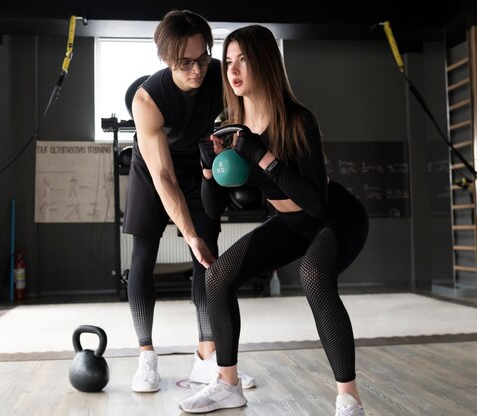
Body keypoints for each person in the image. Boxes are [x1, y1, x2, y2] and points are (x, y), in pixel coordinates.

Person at [179, 24, 369, 415]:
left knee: (314, 276)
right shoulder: (229, 128)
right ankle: (227, 385)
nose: (233, 70)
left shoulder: (298, 120)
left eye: (243, 60)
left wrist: (264, 156)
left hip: (337, 218)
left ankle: (348, 398)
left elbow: (315, 203)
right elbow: (215, 211)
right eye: (228, 61)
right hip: (289, 224)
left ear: (264, 61)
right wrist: (207, 170)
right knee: (217, 276)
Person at [123, 10, 255, 393]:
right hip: (153, 170)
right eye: (186, 63)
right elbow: (164, 176)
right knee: (143, 255)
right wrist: (186, 231)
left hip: (199, 163)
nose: (197, 70)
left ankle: (206, 355)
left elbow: (246, 115)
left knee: (207, 257)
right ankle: (147, 355)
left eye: (203, 59)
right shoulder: (148, 99)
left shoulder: (219, 74)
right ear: (166, 59)